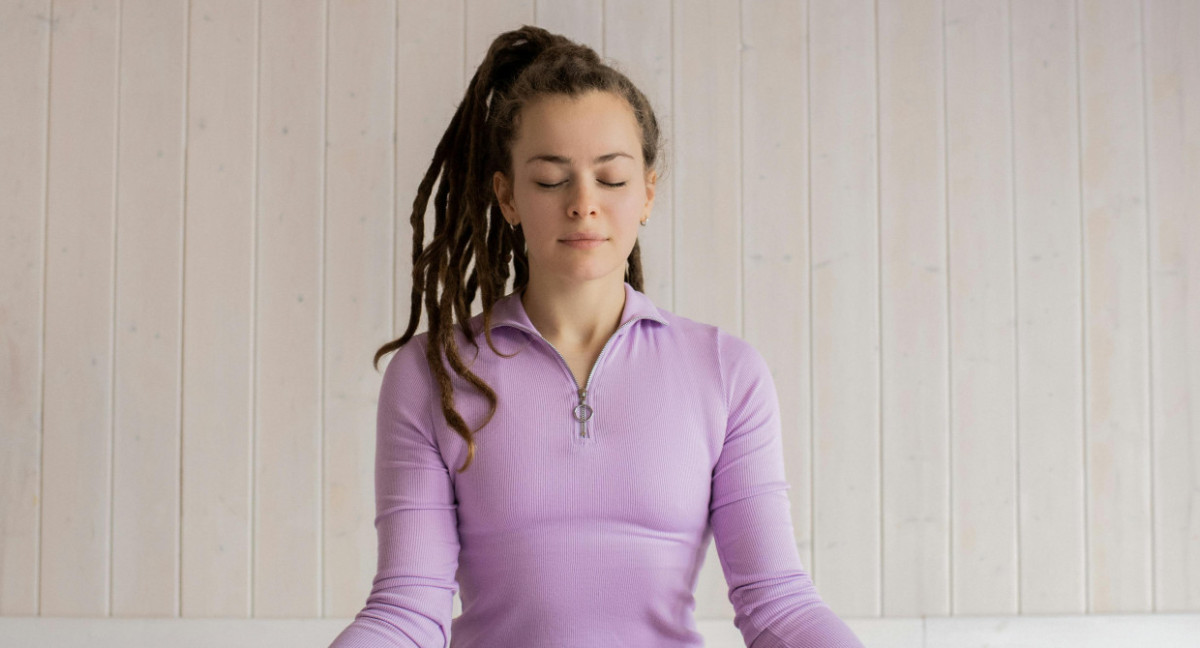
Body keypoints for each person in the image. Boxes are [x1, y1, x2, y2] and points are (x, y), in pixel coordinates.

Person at [329, 25, 865, 648]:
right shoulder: (433, 374)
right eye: (551, 179)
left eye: (610, 179)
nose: (584, 203)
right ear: (507, 196)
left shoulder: (725, 370)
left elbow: (777, 602)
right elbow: (406, 611)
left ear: (646, 193)